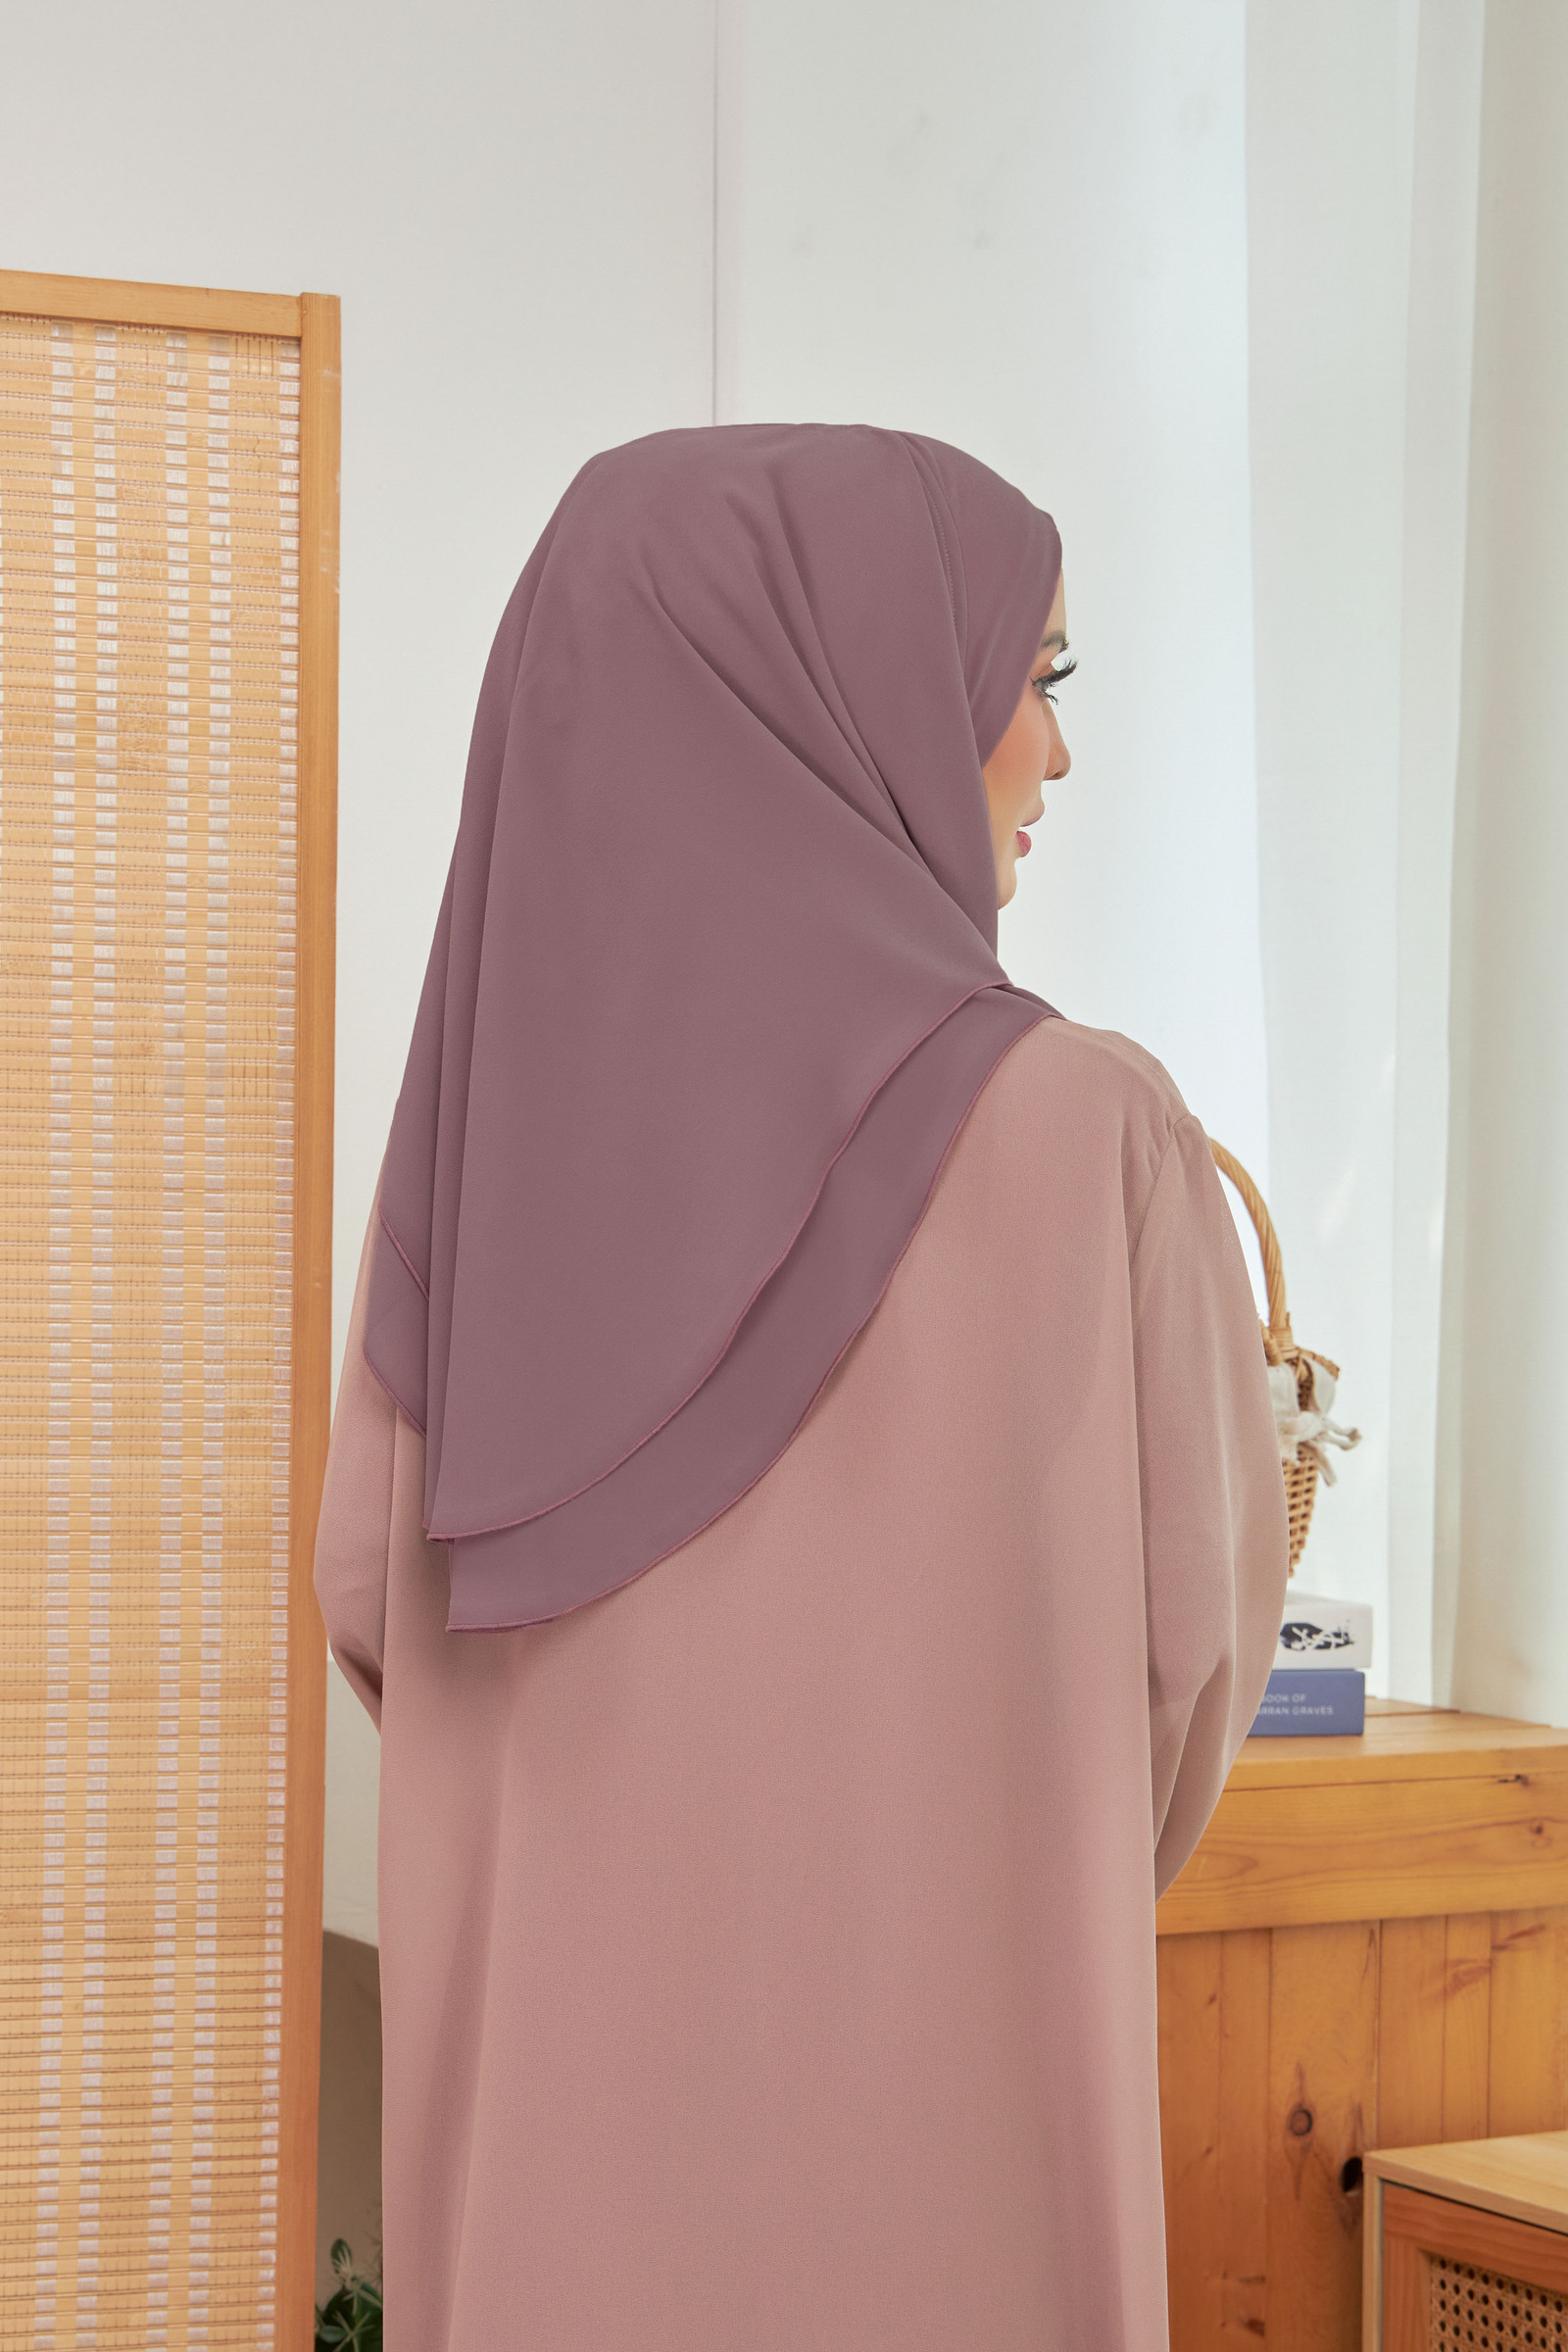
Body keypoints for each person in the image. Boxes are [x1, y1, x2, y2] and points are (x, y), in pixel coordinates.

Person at [313, 420, 1289, 2351]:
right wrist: (994, 1853)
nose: (1058, 752)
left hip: (562, 2179)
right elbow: (1191, 1666)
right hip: (960, 2136)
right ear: (853, 691)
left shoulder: (479, 1170)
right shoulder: (1095, 1135)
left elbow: (368, 1598)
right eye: (1031, 677)